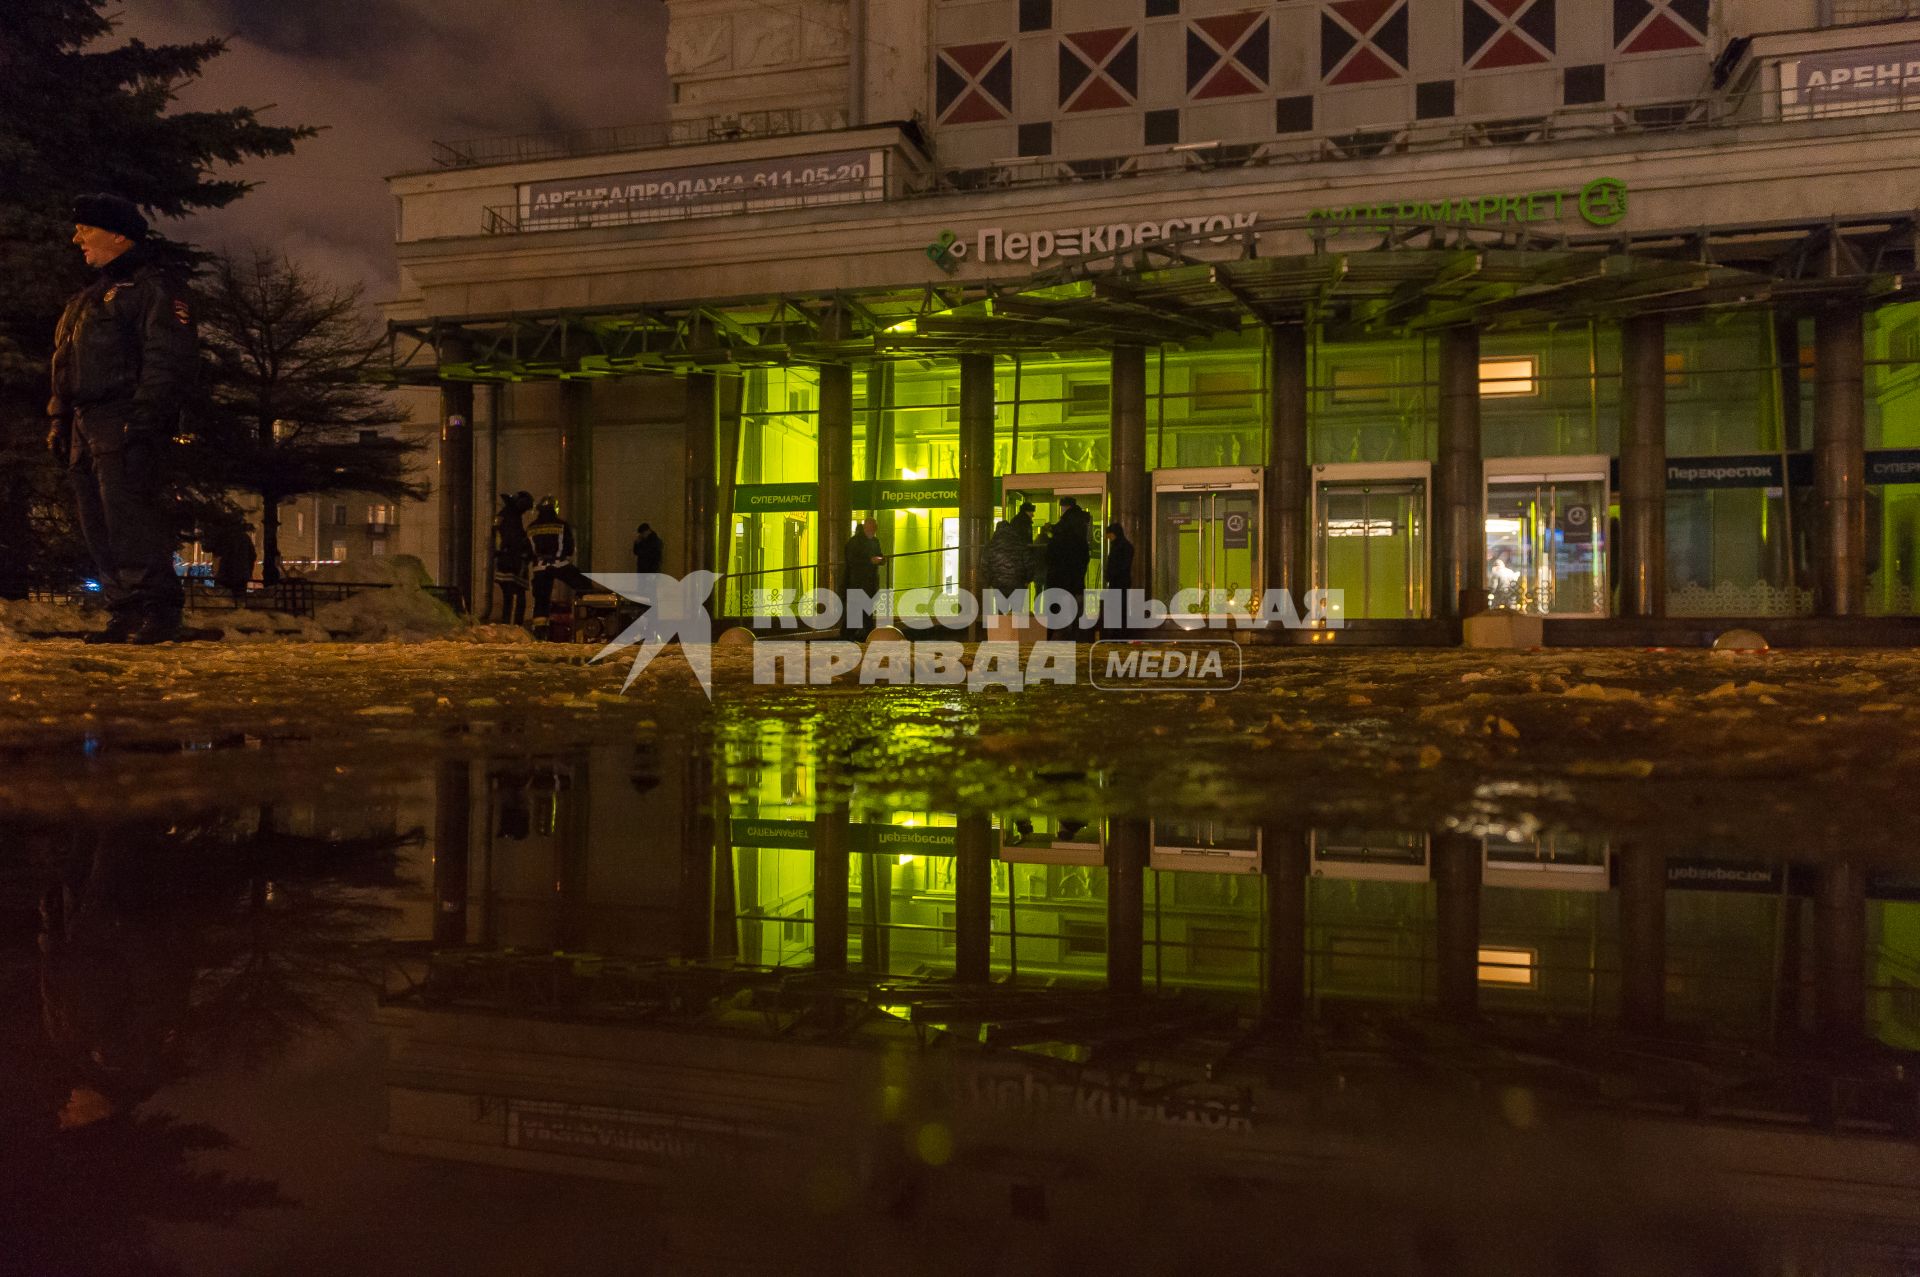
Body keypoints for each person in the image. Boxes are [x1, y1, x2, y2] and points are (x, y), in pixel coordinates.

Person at [48, 194, 197, 645]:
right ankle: (125, 610)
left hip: (124, 416)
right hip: (85, 422)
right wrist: (60, 419)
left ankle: (156, 611)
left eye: (85, 229)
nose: (76, 239)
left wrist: (146, 419)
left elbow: (167, 357)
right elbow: (63, 364)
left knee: (130, 516)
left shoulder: (154, 289)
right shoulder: (86, 299)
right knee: (97, 520)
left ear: (118, 235)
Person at [527, 496, 595, 637]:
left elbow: (528, 550)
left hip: (539, 567)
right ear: (554, 508)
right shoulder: (561, 525)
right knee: (583, 584)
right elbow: (569, 547)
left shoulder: (531, 527)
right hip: (559, 564)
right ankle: (592, 618)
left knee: (541, 599)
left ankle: (540, 632)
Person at [1045, 496, 1094, 636]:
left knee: (1061, 617)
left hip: (1062, 580)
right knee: (1077, 613)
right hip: (1077, 580)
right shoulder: (1081, 525)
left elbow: (1052, 554)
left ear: (1066, 507)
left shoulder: (1065, 526)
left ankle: (1060, 640)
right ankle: (1078, 639)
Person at [491, 491, 534, 626]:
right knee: (516, 595)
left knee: (509, 596)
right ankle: (514, 626)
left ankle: (508, 624)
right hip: (512, 560)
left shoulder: (505, 514)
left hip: (504, 559)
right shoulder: (512, 517)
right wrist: (526, 551)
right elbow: (513, 538)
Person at [842, 516, 885, 641]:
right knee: (859, 613)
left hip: (866, 584)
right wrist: (871, 561)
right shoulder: (856, 542)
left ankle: (855, 638)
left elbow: (878, 555)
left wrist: (881, 560)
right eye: (873, 527)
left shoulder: (872, 541)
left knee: (862, 613)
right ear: (867, 527)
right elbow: (852, 561)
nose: (874, 529)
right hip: (858, 583)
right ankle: (856, 637)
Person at [206, 519, 256, 602]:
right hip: (241, 574)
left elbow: (209, 547)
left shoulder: (225, 537)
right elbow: (252, 555)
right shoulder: (245, 538)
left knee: (222, 599)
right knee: (239, 600)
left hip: (226, 573)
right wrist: (248, 570)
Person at [1100, 521, 1134, 639]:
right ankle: (1118, 633)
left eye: (1109, 534)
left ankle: (1118, 634)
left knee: (1118, 609)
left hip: (1118, 583)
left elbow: (1120, 566)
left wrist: (1110, 574)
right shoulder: (1124, 546)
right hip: (1120, 582)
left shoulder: (1120, 547)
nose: (1108, 537)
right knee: (1119, 608)